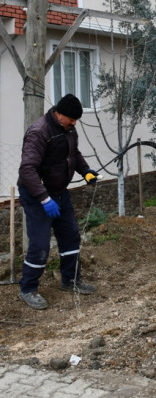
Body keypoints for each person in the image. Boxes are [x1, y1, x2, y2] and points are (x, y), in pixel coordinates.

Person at [17, 94, 100, 310]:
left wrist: (86, 171)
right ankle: (28, 288)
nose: (74, 124)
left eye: (76, 121)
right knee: (40, 244)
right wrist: (44, 198)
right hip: (37, 195)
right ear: (58, 113)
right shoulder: (39, 132)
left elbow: (73, 154)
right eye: (71, 119)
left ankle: (70, 280)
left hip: (60, 192)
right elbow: (27, 169)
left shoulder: (68, 129)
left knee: (71, 235)